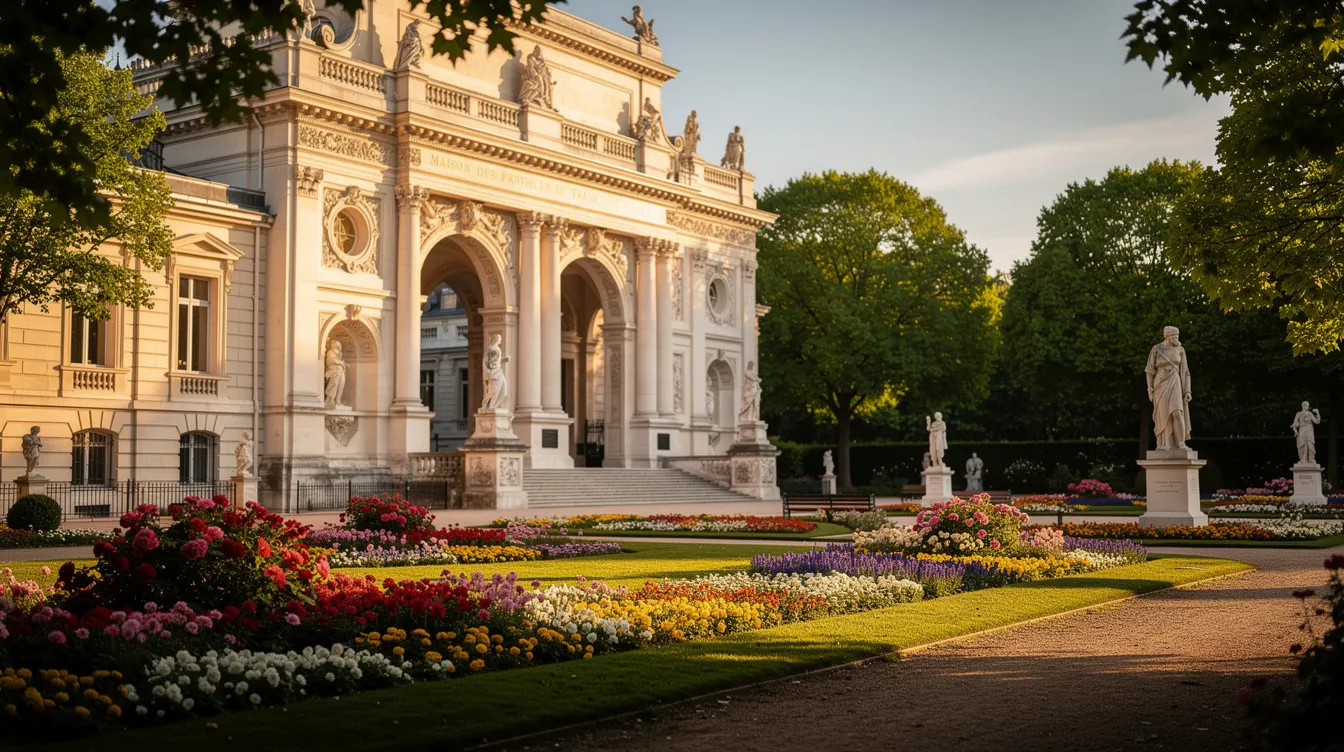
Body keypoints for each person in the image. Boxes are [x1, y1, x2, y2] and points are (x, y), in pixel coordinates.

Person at [1145, 326, 1192, 451]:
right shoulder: (1157, 349)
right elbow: (1149, 371)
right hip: (1160, 383)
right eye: (1174, 336)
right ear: (1168, 336)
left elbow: (1186, 372)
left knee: (1177, 412)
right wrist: (1150, 389)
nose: (1177, 338)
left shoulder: (1180, 350)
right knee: (1164, 414)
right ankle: (1167, 444)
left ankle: (1181, 443)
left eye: (1177, 336)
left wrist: (1187, 390)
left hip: (1175, 381)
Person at [481, 334, 510, 410]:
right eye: (500, 339)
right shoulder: (490, 349)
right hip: (493, 373)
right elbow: (485, 361)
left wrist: (504, 359)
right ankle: (488, 406)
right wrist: (488, 372)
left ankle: (494, 406)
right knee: (493, 392)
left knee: (504, 390)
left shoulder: (498, 349)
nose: (501, 340)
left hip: (499, 371)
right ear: (496, 339)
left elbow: (496, 360)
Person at [324, 341, 347, 407]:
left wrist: (343, 363)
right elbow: (331, 361)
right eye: (336, 345)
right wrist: (341, 362)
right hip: (334, 372)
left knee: (341, 385)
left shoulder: (339, 355)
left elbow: (339, 362)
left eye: (338, 345)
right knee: (334, 384)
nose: (337, 346)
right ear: (333, 345)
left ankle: (338, 400)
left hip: (341, 371)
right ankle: (330, 400)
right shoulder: (330, 352)